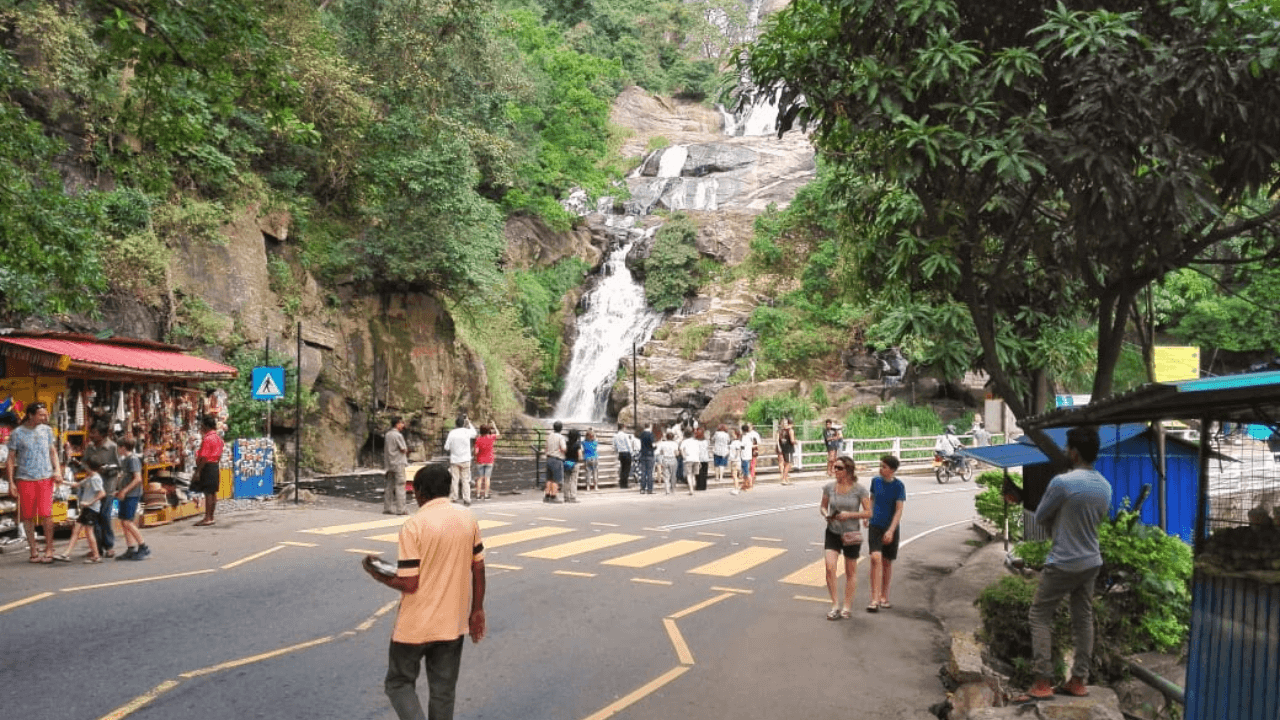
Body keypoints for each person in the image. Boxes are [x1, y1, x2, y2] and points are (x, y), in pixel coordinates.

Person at [363, 463, 486, 720]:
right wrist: (477, 609)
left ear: (419, 492)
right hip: (452, 623)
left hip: (415, 625)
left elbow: (409, 583)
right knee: (443, 692)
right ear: (449, 488)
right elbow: (478, 567)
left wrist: (378, 573)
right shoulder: (468, 519)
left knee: (398, 682)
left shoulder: (414, 526)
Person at [1018, 426, 1112, 703]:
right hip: (1091, 560)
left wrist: (1056, 524)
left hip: (1063, 561)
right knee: (1083, 619)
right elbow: (1095, 520)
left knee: (1039, 615)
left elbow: (1041, 515)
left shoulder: (1063, 482)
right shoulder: (1105, 486)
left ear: (1074, 453)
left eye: (1068, 448)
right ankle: (1079, 680)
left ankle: (1042, 681)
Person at [7, 402, 61, 563]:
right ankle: (33, 549)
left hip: (45, 478)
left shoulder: (47, 430)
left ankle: (49, 548)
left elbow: (53, 452)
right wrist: (11, 482)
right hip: (25, 479)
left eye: (46, 414)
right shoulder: (17, 433)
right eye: (41, 414)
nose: (45, 417)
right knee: (27, 516)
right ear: (31, 415)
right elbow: (10, 459)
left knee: (46, 514)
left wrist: (57, 470)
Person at [819, 455, 871, 619]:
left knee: (850, 571)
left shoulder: (859, 490)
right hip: (832, 531)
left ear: (848, 470)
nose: (835, 470)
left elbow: (868, 512)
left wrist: (850, 515)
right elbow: (823, 506)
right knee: (830, 567)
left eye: (839, 468)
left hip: (850, 533)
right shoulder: (829, 487)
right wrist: (826, 515)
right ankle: (835, 605)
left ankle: (846, 606)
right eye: (834, 467)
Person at [867, 454, 906, 612]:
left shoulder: (899, 486)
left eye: (884, 467)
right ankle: (874, 598)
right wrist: (868, 514)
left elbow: (899, 510)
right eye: (880, 466)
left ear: (892, 470)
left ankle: (884, 596)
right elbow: (872, 499)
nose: (881, 469)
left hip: (890, 527)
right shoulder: (875, 481)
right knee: (875, 558)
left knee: (887, 562)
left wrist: (891, 530)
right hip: (875, 525)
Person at [55, 455, 106, 563]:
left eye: (85, 466)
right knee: (76, 530)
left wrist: (89, 503)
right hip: (87, 509)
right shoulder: (90, 477)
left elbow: (102, 493)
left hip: (91, 509)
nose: (84, 467)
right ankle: (66, 553)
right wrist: (62, 482)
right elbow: (77, 484)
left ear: (89, 467)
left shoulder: (95, 479)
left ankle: (96, 556)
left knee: (89, 532)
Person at [84, 423, 119, 557]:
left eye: (94, 433)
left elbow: (119, 466)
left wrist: (107, 469)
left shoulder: (112, 447)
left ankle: (109, 546)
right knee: (95, 518)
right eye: (91, 432)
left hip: (108, 487)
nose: (91, 435)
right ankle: (97, 548)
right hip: (94, 488)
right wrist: (90, 471)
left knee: (105, 516)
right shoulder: (90, 447)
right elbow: (84, 462)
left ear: (103, 435)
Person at [114, 437, 150, 560]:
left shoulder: (133, 459)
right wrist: (119, 490)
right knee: (123, 521)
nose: (117, 450)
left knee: (127, 522)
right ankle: (130, 548)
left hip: (132, 494)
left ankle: (143, 546)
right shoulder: (125, 460)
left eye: (119, 447)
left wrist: (124, 490)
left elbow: (138, 479)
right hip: (125, 494)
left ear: (123, 447)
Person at [194, 414, 224, 526]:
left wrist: (198, 471)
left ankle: (207, 517)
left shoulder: (207, 439)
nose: (201, 428)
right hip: (215, 465)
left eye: (202, 425)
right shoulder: (218, 438)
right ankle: (211, 516)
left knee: (208, 493)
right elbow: (219, 455)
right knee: (213, 492)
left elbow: (204, 457)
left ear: (206, 426)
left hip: (207, 466)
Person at [443, 417, 477, 506]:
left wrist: (453, 448)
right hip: (466, 459)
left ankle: (454, 497)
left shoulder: (452, 433)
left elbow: (446, 447)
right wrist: (469, 423)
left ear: (456, 424)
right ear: (463, 424)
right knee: (466, 480)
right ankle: (467, 499)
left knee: (455, 479)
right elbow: (475, 433)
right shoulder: (466, 432)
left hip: (455, 460)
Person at [384, 417, 410, 515]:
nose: (403, 425)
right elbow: (403, 449)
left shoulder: (387, 434)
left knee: (389, 486)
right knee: (400, 485)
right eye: (401, 423)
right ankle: (401, 509)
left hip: (389, 463)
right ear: (397, 424)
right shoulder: (398, 435)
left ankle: (387, 507)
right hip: (399, 463)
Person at [473, 424, 499, 501]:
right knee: (487, 478)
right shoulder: (491, 437)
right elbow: (498, 434)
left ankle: (478, 495)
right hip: (489, 460)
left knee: (480, 478)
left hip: (480, 460)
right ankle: (486, 495)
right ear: (488, 431)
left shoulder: (478, 439)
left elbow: (476, 451)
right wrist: (495, 426)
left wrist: (476, 456)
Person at [543, 421, 566, 503]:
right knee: (556, 479)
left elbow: (546, 447)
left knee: (549, 479)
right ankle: (554, 496)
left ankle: (547, 496)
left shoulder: (549, 436)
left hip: (549, 458)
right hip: (556, 459)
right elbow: (563, 448)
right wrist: (563, 453)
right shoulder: (560, 437)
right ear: (561, 428)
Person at [656, 431, 679, 495]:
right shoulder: (675, 444)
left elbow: (660, 452)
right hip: (673, 459)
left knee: (666, 475)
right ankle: (673, 489)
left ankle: (667, 490)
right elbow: (676, 453)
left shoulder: (662, 444)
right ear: (673, 437)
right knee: (673, 475)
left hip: (665, 459)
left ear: (666, 437)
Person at [563, 429, 582, 503]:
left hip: (566, 463)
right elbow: (580, 456)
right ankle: (573, 497)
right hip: (574, 463)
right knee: (574, 481)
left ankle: (566, 497)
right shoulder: (577, 445)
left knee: (566, 480)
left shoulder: (566, 443)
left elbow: (563, 452)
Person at [613, 424, 634, 489]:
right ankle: (625, 484)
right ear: (623, 428)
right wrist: (632, 453)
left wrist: (617, 451)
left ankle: (621, 483)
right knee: (627, 469)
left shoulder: (615, 436)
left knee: (622, 468)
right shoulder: (625, 435)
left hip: (621, 453)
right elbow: (629, 444)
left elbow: (614, 445)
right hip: (626, 452)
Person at [741, 423, 761, 490]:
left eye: (749, 426)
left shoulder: (754, 434)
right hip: (747, 452)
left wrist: (754, 446)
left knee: (752, 467)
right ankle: (746, 483)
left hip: (753, 452)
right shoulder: (744, 435)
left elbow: (758, 442)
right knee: (746, 469)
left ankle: (750, 483)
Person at [776, 418, 796, 485]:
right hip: (789, 449)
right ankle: (784, 479)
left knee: (785, 464)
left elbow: (778, 440)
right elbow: (792, 441)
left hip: (783, 448)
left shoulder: (781, 431)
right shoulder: (790, 431)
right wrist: (796, 442)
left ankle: (786, 478)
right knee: (788, 464)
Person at [680, 431, 700, 495]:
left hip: (688, 459)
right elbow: (698, 451)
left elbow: (681, 449)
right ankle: (693, 487)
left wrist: (684, 456)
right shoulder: (696, 441)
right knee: (693, 475)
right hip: (696, 459)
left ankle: (691, 489)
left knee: (689, 474)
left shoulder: (684, 442)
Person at [637, 424, 655, 494]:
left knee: (643, 472)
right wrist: (655, 447)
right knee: (650, 472)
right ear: (650, 426)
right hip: (650, 454)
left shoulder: (641, 434)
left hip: (643, 454)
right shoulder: (651, 434)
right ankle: (649, 489)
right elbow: (653, 445)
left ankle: (642, 489)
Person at [728, 429, 745, 495]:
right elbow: (743, 449)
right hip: (739, 460)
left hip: (735, 460)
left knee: (734, 476)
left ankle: (736, 488)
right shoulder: (740, 443)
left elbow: (737, 450)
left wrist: (735, 457)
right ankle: (737, 487)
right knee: (737, 475)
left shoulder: (734, 443)